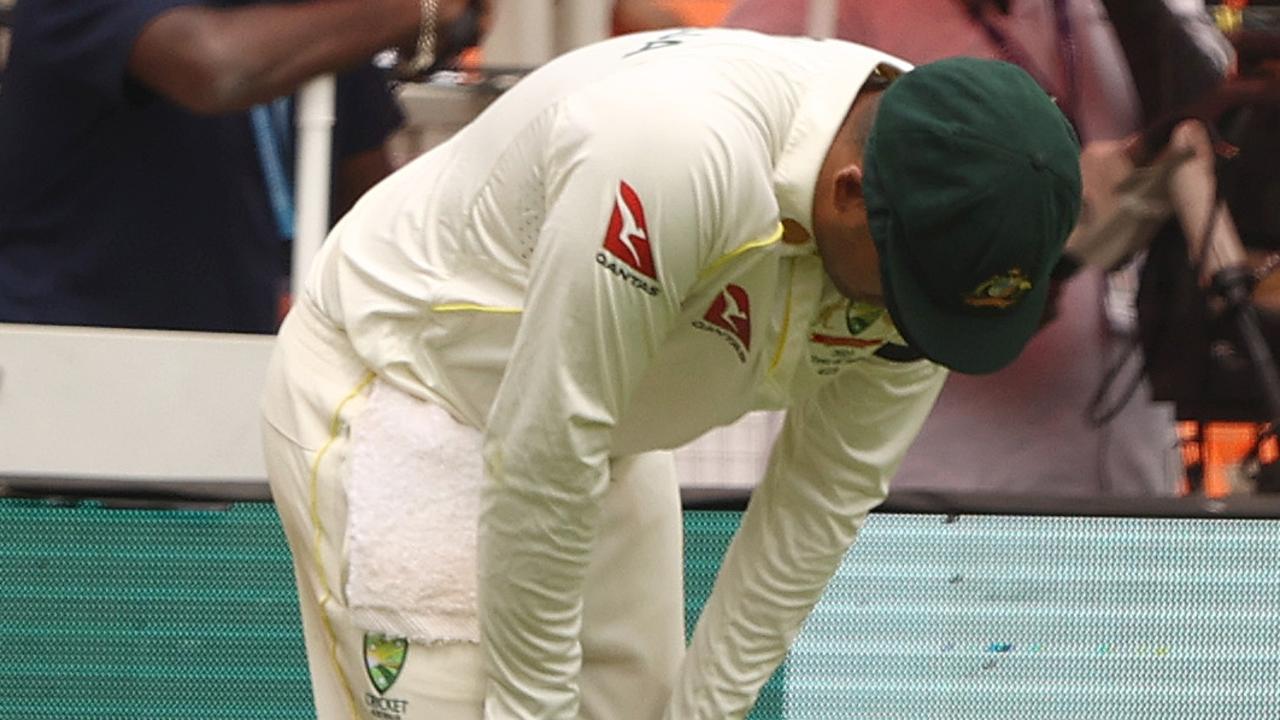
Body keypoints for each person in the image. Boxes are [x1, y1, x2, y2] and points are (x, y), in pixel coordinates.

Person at [261, 28, 1082, 718]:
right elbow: (545, 452)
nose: (906, 331)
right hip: (407, 386)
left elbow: (819, 503)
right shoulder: (674, 150)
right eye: (902, 295)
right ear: (847, 193)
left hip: (599, 423)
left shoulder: (943, 234)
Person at [724, 0, 1232, 497]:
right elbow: (760, 214)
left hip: (1116, 455)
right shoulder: (816, 10)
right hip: (920, 464)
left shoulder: (1118, 18)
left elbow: (1222, 110)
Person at [0, 0, 486, 333]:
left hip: (226, 367)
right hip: (68, 361)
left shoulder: (316, 28)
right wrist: (419, 9)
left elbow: (373, 218)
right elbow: (217, 68)